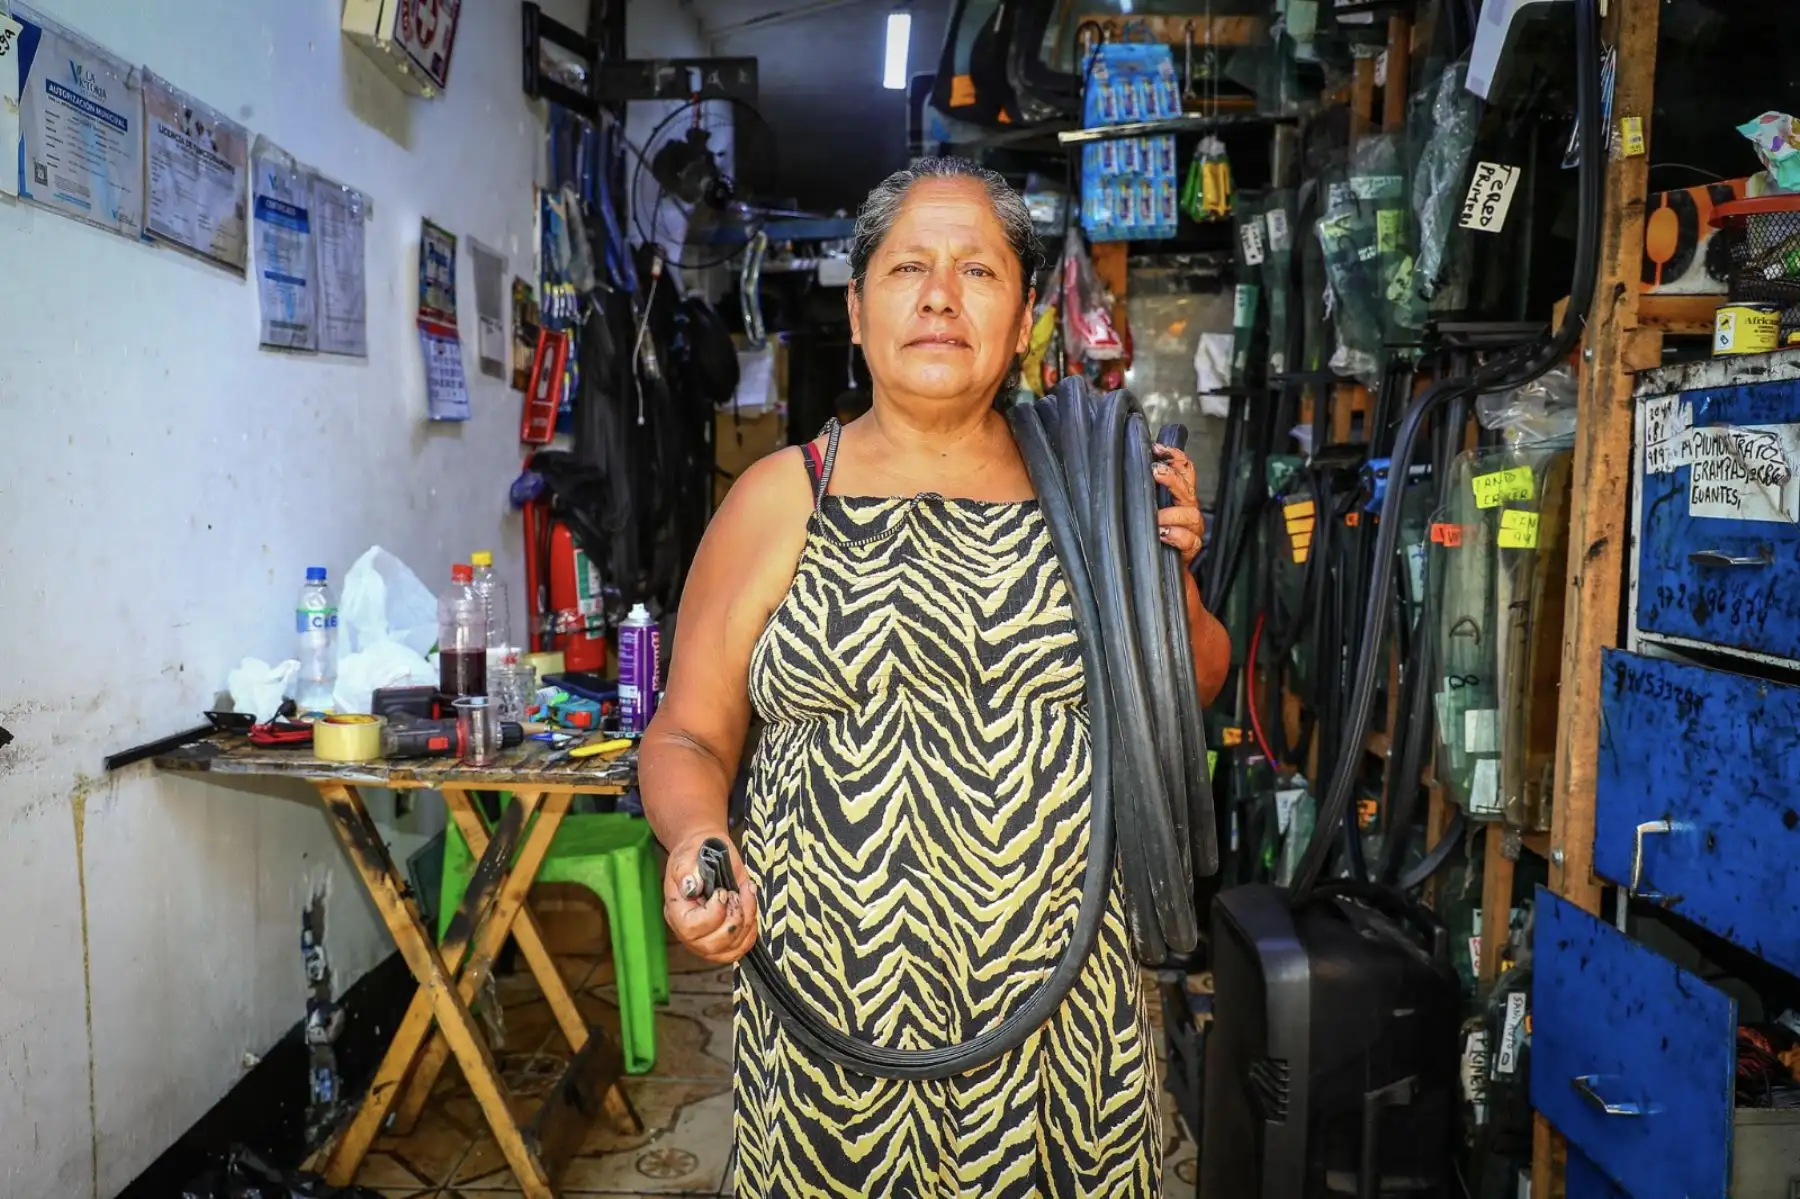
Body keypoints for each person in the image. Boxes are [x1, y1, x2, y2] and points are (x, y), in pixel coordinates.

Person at [639, 156, 1231, 1197]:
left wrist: (1167, 574)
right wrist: (699, 831)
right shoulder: (783, 499)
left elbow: (1188, 691)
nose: (941, 295)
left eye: (980, 270)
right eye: (909, 266)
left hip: (1064, 1023)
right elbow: (688, 732)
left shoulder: (1093, 491)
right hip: (830, 1019)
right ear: (859, 310)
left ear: (1027, 315)